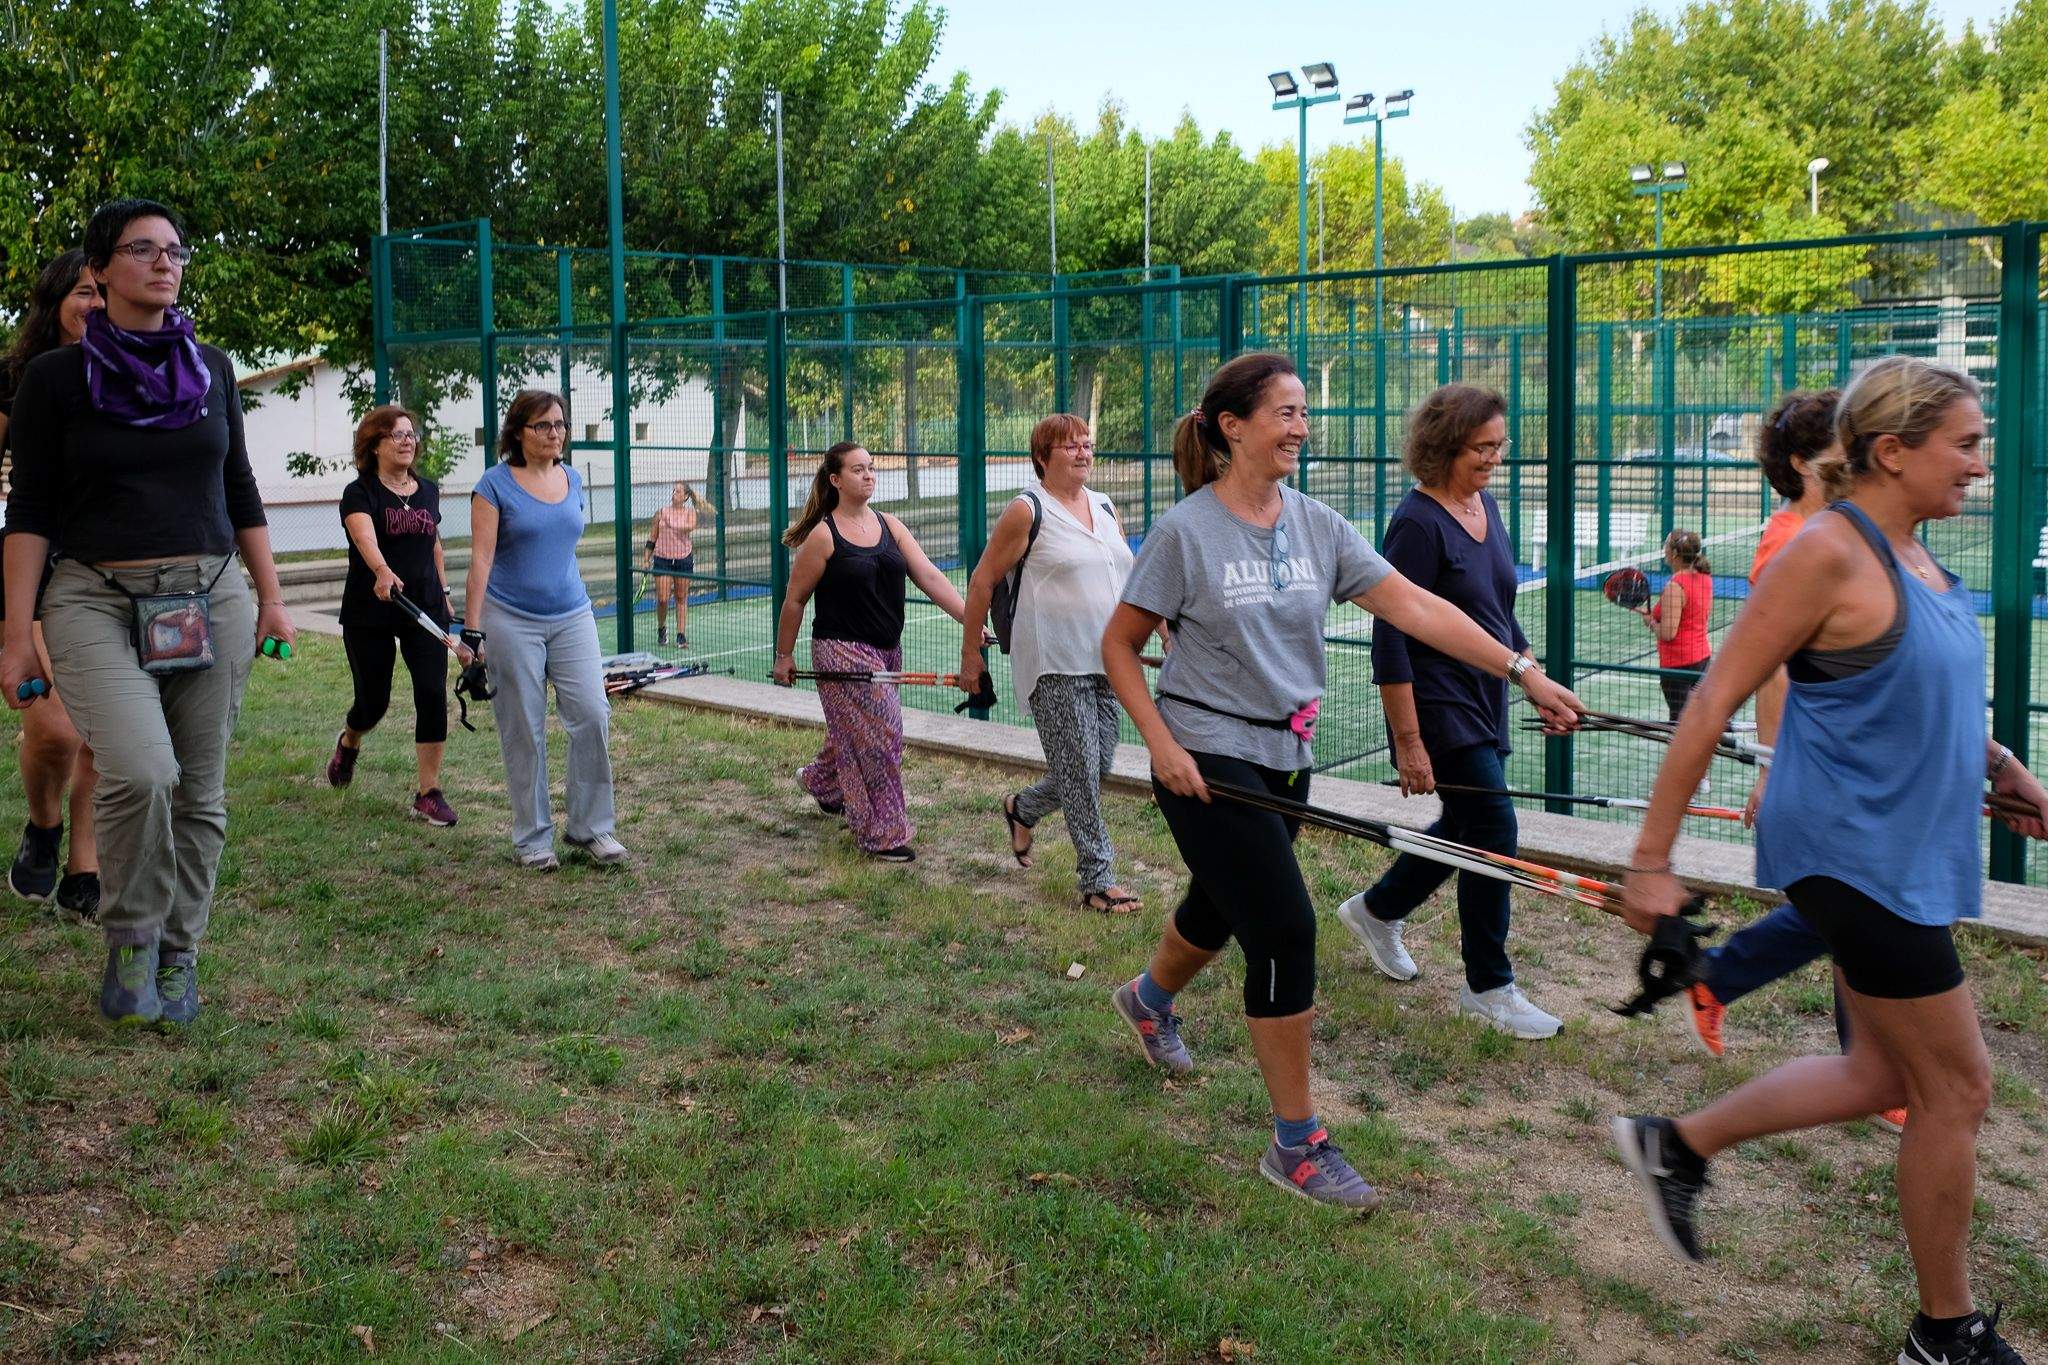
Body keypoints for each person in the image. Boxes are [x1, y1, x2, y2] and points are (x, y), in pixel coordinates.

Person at [1614, 357, 2048, 1365]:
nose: (1979, 464)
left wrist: (2001, 768)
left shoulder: (1918, 556)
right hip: (1852, 857)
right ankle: (1944, 1334)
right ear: (1891, 450)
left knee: (1877, 1071)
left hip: (1908, 851)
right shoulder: (1827, 553)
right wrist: (1648, 862)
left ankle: (1675, 1146)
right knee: (1957, 1089)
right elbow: (1712, 701)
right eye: (1964, 444)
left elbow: (1920, 695)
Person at [1102, 353, 1583, 1211]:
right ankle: (1297, 1144)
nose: (1301, 426)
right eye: (1284, 412)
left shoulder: (1318, 525)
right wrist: (1161, 745)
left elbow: (1420, 609)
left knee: (1222, 900)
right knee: (1285, 928)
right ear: (1232, 426)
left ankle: (1147, 999)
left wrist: (1522, 670)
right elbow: (1119, 644)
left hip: (1285, 753)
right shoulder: (1185, 532)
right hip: (1205, 754)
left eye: (1302, 412)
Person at [1, 198, 296, 1025]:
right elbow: (30, 511)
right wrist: (16, 634)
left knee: (200, 791)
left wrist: (272, 597)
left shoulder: (212, 368)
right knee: (140, 770)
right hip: (94, 595)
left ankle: (177, 951)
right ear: (98, 269)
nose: (165, 262)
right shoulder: (54, 381)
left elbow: (238, 486)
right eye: (143, 249)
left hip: (210, 594)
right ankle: (131, 933)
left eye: (175, 250)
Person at [1332, 384, 1563, 1040]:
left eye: (1499, 446)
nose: (1494, 458)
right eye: (1480, 447)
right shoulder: (1417, 523)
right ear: (1443, 446)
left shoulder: (1485, 504)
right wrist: (1408, 741)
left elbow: (1497, 610)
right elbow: (1390, 636)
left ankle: (1378, 910)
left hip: (1486, 692)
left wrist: (1534, 678)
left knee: (1466, 825)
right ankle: (1489, 986)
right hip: (1437, 701)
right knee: (1495, 826)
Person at [1686, 393, 1872, 1080]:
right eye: (1842, 450)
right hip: (1814, 758)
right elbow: (1773, 672)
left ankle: (1866, 1057)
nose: (1858, 461)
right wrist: (1771, 766)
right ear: (1801, 463)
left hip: (1847, 753)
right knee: (1853, 902)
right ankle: (1868, 1059)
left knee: (1856, 902)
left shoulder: (1834, 529)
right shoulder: (1789, 542)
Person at [958, 414, 1150, 912]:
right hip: (1054, 660)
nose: (1084, 452)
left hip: (1108, 660)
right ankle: (1098, 880)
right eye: (1071, 446)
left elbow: (1126, 579)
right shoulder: (1027, 510)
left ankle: (1022, 808)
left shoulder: (1104, 505)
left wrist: (1159, 630)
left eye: (1087, 444)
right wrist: (971, 654)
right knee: (1080, 772)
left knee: (1094, 766)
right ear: (1043, 457)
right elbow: (982, 580)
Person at [772, 442, 978, 863]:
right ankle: (882, 833)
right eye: (858, 469)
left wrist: (972, 622)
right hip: (841, 652)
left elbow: (930, 576)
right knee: (882, 736)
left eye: (871, 467)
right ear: (835, 480)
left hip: (887, 650)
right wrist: (783, 656)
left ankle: (822, 782)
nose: (868, 475)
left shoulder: (890, 525)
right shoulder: (824, 535)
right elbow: (795, 600)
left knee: (858, 732)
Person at [466, 388, 626, 870]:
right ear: (518, 432)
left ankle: (591, 828)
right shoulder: (493, 485)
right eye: (543, 425)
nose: (554, 433)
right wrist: (472, 633)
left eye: (560, 424)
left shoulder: (572, 478)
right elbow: (481, 560)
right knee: (524, 727)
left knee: (593, 714)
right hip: (510, 617)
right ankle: (533, 838)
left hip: (572, 613)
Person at [0, 250, 101, 921]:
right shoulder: (15, 380)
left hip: (112, 565)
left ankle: (84, 863)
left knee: (106, 730)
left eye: (103, 291)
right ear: (56, 298)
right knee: (57, 731)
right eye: (83, 291)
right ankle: (43, 824)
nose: (96, 304)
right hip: (34, 567)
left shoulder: (133, 374)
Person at [327, 405, 465, 826]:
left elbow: (433, 543)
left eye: (411, 434)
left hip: (423, 606)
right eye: (397, 435)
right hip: (371, 607)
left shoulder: (428, 491)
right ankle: (350, 741)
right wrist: (382, 570)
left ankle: (428, 792)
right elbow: (363, 536)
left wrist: (444, 593)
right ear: (375, 445)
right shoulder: (360, 492)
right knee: (373, 702)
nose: (407, 441)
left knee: (432, 692)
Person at [1638, 528, 1713, 722]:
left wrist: (1651, 622)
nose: (1663, 548)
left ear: (1674, 553)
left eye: (1666, 544)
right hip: (1702, 659)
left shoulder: (1675, 586)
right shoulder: (1705, 578)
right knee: (1699, 721)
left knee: (1680, 724)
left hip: (1678, 666)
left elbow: (1668, 633)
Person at [646, 480, 700, 647]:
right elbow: (652, 537)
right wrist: (646, 559)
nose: (674, 494)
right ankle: (662, 628)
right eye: (673, 491)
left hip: (683, 559)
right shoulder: (661, 513)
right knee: (663, 598)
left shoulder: (690, 513)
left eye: (678, 491)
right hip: (662, 559)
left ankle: (681, 635)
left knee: (681, 597)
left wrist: (672, 524)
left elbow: (690, 527)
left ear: (685, 497)